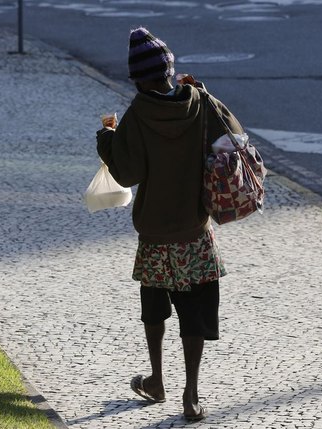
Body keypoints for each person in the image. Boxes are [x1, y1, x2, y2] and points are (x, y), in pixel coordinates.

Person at [96, 26, 245, 421]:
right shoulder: (198, 101)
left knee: (155, 309)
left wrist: (106, 138)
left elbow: (127, 173)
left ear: (139, 79)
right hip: (195, 230)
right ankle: (191, 395)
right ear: (169, 70)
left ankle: (157, 380)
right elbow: (235, 136)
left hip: (156, 234)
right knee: (194, 311)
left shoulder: (139, 114)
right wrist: (207, 92)